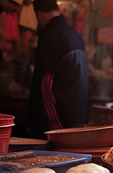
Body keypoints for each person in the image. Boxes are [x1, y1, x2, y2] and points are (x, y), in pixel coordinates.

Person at [26, 0, 89, 139]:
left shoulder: (50, 37)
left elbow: (45, 84)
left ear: (39, 14)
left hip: (56, 124)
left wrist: (53, 125)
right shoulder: (74, 35)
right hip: (76, 118)